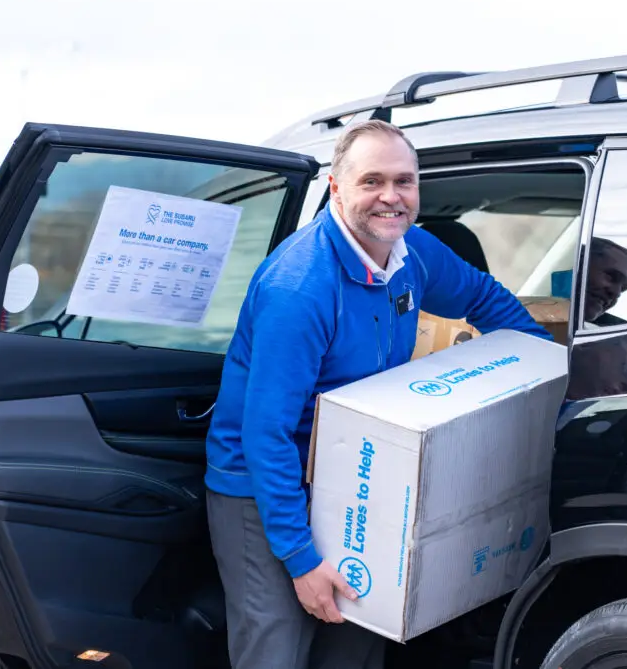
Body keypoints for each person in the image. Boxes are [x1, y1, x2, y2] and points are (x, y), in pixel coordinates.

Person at [202, 119, 552, 669]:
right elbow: (264, 434)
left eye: (404, 181)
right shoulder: (300, 288)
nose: (391, 197)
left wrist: (546, 363)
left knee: (358, 637)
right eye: (371, 181)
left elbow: (484, 296)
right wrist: (299, 558)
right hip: (267, 480)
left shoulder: (413, 252)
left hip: (353, 468)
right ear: (337, 189)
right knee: (277, 645)